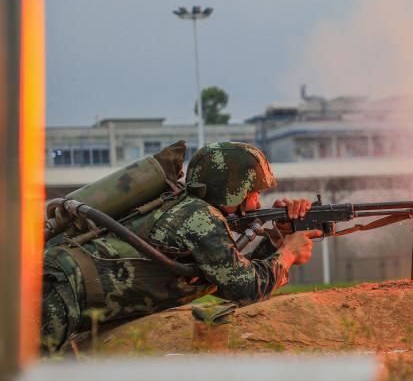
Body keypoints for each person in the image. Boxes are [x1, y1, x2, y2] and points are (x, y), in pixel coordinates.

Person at [40, 141, 320, 352]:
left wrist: (276, 240)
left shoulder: (185, 207)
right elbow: (244, 288)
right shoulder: (200, 217)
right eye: (255, 192)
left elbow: (229, 270)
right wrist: (288, 253)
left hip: (58, 288)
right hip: (54, 296)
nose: (258, 202)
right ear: (234, 189)